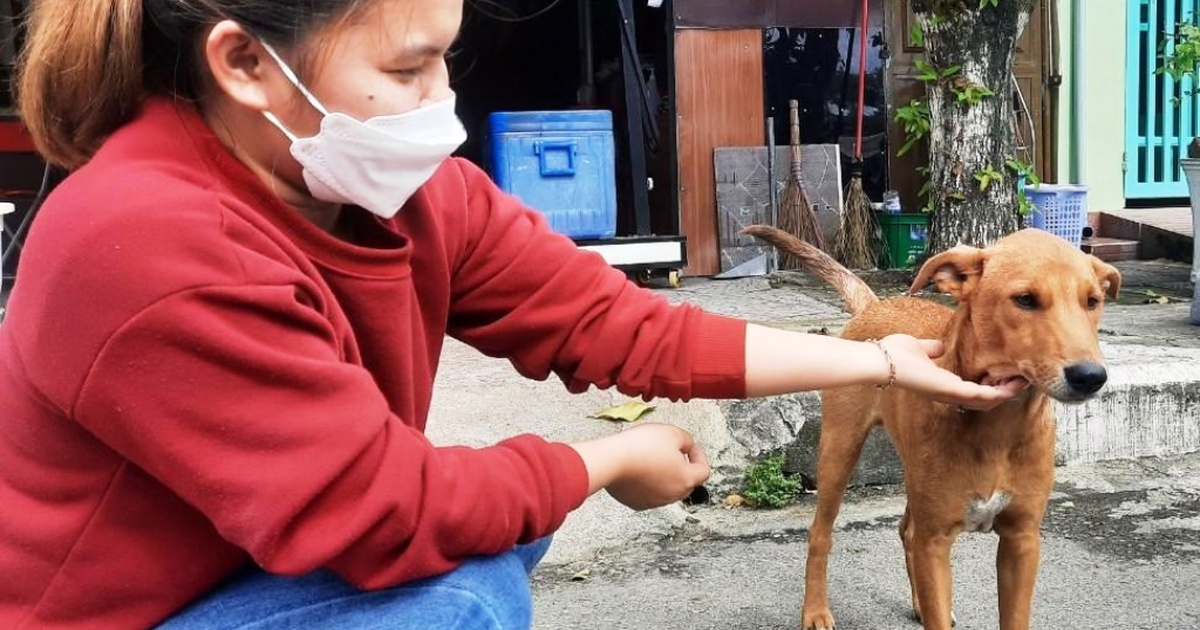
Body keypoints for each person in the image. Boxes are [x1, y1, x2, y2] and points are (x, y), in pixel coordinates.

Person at [0, 1, 1026, 628]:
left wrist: (881, 361)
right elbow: (391, 513)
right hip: (126, 613)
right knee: (460, 595)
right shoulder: (145, 239)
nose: (439, 103)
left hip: (266, 561)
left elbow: (625, 326)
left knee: (490, 540)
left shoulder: (409, 195)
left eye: (445, 60)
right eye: (404, 69)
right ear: (244, 65)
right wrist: (604, 460)